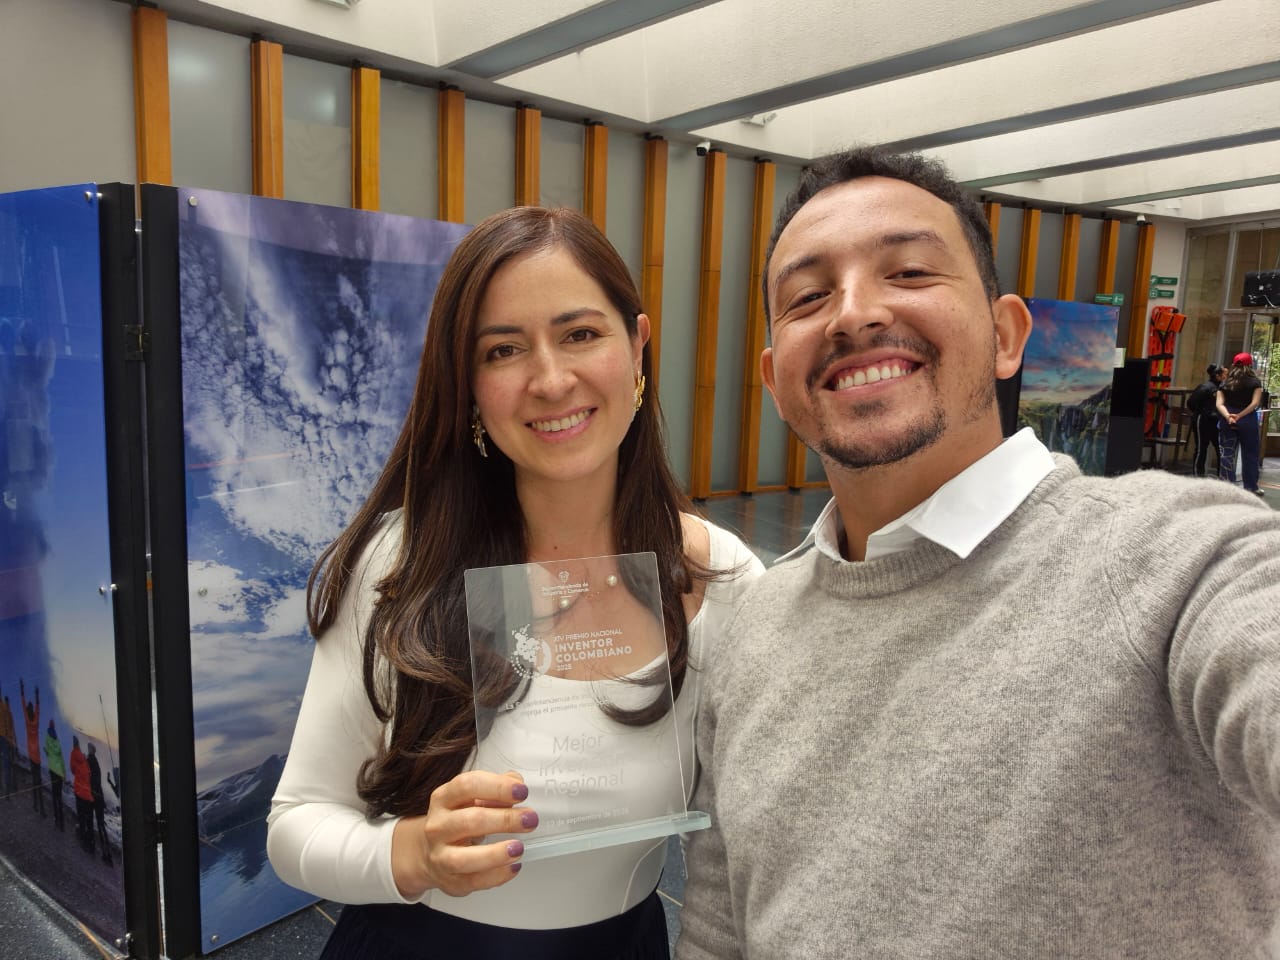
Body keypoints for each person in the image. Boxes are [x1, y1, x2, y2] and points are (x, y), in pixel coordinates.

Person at [676, 146, 1280, 959]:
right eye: (809, 297)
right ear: (776, 382)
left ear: (1005, 336)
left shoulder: (1178, 557)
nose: (852, 313)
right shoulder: (752, 627)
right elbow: (720, 919)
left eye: (910, 273)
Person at [267, 206, 762, 960]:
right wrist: (415, 854)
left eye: (580, 334)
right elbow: (297, 823)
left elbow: (740, 842)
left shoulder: (719, 578)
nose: (550, 379)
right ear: (466, 384)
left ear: (638, 346)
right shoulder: (401, 563)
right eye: (503, 350)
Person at [1216, 351, 1265, 496]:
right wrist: (1240, 415)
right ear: (1250, 365)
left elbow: (1219, 404)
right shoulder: (1255, 382)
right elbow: (1255, 403)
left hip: (1227, 420)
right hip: (1247, 420)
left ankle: (1227, 485)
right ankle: (1251, 486)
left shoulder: (1225, 383)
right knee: (1250, 453)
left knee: (1227, 452)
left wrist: (1228, 416)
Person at [1187, 362, 1224, 477]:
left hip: (1215, 422)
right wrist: (1203, 413)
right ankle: (1199, 476)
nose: (1226, 376)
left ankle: (1219, 475)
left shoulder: (1222, 388)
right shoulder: (1205, 387)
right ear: (1217, 376)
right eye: (1224, 374)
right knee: (1202, 449)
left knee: (1218, 450)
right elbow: (1191, 403)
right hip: (1203, 421)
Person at [19, 679, 43, 817]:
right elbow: (38, 708)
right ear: (32, 712)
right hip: (38, 757)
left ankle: (35, 803)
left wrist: (22, 690)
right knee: (39, 780)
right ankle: (41, 805)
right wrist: (37, 694)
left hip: (31, 754)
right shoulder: (36, 721)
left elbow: (23, 706)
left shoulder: (28, 722)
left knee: (34, 780)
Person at [87, 742, 113, 864]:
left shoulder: (89, 761)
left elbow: (89, 778)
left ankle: (92, 848)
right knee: (101, 825)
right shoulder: (96, 762)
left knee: (91, 822)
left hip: (94, 797)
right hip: (99, 797)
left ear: (91, 750)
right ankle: (107, 854)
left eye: (89, 749)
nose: (88, 750)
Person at [69, 736, 95, 853]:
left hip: (79, 793)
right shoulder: (84, 759)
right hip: (88, 795)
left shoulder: (73, 756)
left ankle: (84, 843)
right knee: (89, 820)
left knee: (82, 818)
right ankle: (92, 845)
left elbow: (72, 770)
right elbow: (89, 774)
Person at [44, 718, 65, 832]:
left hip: (52, 771)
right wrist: (64, 774)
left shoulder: (47, 738)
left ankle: (56, 819)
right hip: (59, 773)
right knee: (59, 796)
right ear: (54, 727)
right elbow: (61, 758)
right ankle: (61, 823)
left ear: (49, 726)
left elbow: (47, 752)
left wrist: (46, 752)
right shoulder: (57, 740)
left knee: (54, 795)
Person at [0, 688, 16, 800]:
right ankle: (7, 792)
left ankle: (3, 789)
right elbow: (10, 725)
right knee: (7, 765)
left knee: (5, 765)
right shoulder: (5, 707)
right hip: (5, 738)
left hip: (4, 738)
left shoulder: (5, 707)